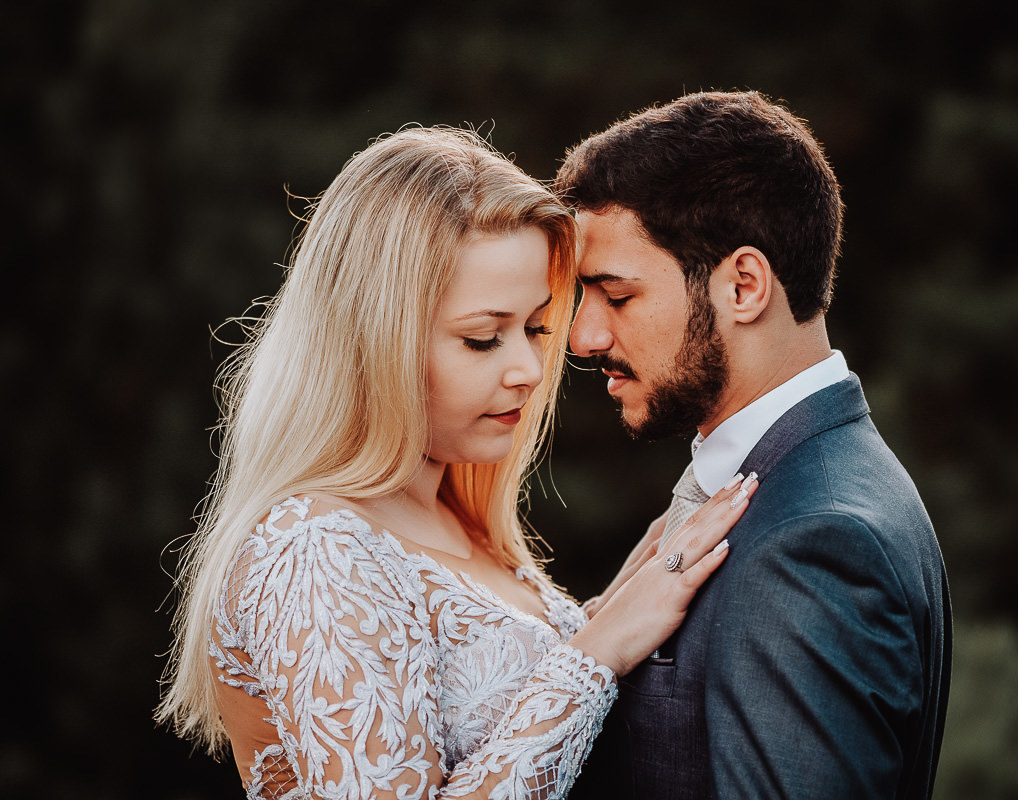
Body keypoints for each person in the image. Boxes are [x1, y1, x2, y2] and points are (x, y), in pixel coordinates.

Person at [156, 127, 758, 800]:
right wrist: (598, 652)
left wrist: (611, 614)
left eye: (535, 328)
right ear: (375, 340)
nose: (530, 370)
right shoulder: (315, 545)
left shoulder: (454, 522)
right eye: (482, 338)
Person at [555, 91, 952, 799]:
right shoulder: (795, 485)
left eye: (616, 295)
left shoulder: (818, 541)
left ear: (743, 286)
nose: (583, 337)